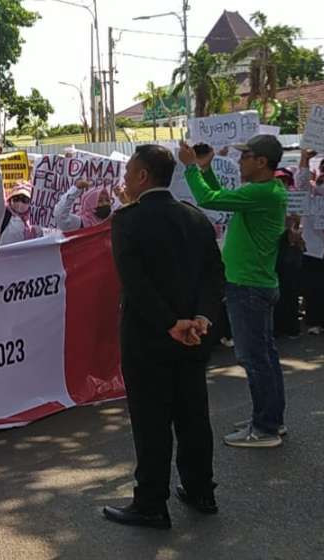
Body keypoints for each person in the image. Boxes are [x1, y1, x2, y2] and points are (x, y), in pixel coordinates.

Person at [104, 144, 224, 530]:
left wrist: (170, 323)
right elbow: (213, 275)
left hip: (149, 338)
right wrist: (200, 318)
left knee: (151, 421)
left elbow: (136, 285)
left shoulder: (127, 221)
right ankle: (201, 489)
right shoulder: (195, 218)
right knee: (193, 414)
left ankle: (151, 502)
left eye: (129, 172)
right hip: (194, 336)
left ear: (142, 176)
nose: (124, 179)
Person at [179, 136, 288, 448]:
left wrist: (190, 169)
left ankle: (265, 428)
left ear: (262, 162)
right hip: (256, 284)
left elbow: (209, 200)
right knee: (265, 357)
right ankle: (270, 419)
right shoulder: (267, 190)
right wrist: (206, 168)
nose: (240, 162)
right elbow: (220, 195)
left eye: (246, 156)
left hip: (248, 286)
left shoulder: (261, 192)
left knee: (255, 359)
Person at [294, 149, 324, 335]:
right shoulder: (311, 193)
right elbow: (301, 182)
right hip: (313, 249)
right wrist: (305, 158)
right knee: (314, 287)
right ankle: (314, 320)